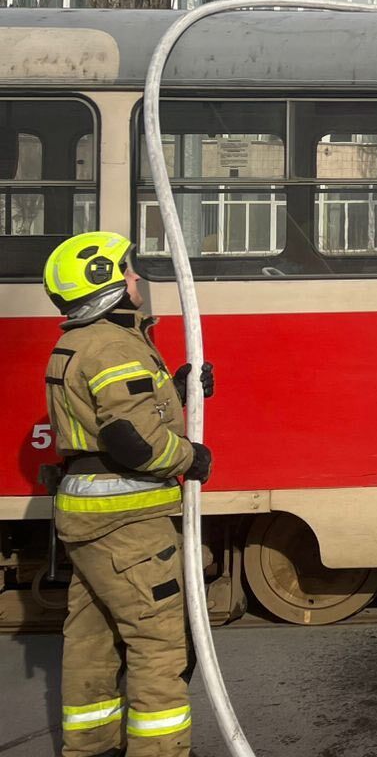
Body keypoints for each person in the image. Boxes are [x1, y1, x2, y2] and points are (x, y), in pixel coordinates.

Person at [41, 231, 213, 757]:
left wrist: (178, 390)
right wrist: (190, 459)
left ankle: (91, 748)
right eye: (127, 270)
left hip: (88, 519)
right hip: (128, 523)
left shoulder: (81, 341)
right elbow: (131, 441)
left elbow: (109, 417)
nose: (137, 277)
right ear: (107, 284)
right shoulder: (114, 345)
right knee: (160, 643)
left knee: (91, 640)